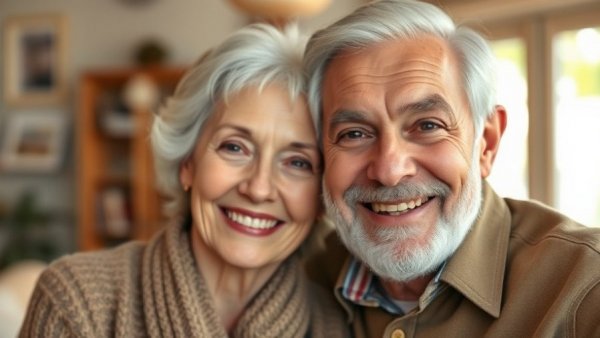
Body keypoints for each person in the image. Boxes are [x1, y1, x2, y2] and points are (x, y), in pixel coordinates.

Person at [19, 23, 348, 337]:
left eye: (298, 162)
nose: (259, 188)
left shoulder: (334, 326)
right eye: (235, 147)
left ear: (322, 197)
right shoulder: (75, 301)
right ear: (188, 162)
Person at [303, 0, 600, 337]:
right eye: (354, 133)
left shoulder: (587, 288)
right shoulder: (300, 278)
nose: (389, 170)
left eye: (427, 126)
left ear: (486, 143)